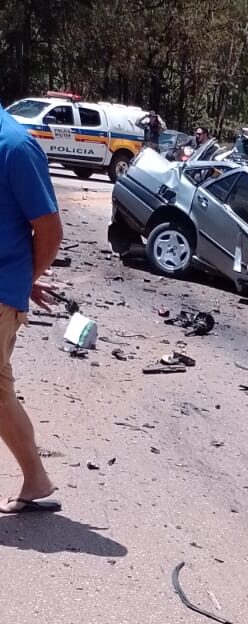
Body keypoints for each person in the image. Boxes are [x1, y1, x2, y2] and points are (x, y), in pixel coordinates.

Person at [0, 105, 64, 513]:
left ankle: (37, 477)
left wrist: (22, 278)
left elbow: (50, 231)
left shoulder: (16, 147)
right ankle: (36, 477)